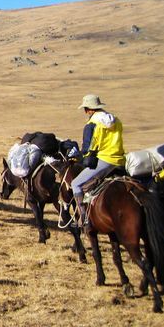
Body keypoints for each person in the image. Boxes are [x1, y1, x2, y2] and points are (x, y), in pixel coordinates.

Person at [70, 94, 125, 228]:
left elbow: (89, 147)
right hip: (120, 160)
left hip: (105, 160)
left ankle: (83, 218)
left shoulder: (92, 124)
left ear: (89, 109)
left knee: (75, 183)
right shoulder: (115, 120)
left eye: (85, 109)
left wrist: (79, 156)